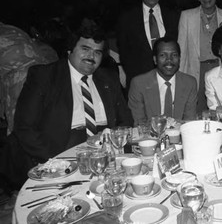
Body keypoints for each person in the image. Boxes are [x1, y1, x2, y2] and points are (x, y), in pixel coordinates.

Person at [11, 26, 133, 166]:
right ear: (70, 50)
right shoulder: (45, 77)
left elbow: (126, 120)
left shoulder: (108, 79)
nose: (91, 57)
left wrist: (113, 143)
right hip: (61, 154)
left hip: (105, 153)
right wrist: (55, 160)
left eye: (97, 52)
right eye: (85, 49)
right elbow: (25, 127)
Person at [178, 0, 222, 112]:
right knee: (196, 113)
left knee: (221, 112)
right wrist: (180, 79)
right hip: (196, 73)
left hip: (220, 70)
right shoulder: (186, 16)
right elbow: (181, 51)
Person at [117, 0, 180, 87]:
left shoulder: (174, 16)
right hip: (140, 82)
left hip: (171, 80)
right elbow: (124, 53)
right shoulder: (127, 18)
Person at [0, 22, 58, 136]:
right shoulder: (13, 30)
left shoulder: (8, 33)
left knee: (23, 135)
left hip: (23, 89)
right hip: (43, 84)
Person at [128, 38, 197, 124]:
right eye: (163, 55)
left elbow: (189, 122)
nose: (169, 60)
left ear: (179, 58)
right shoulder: (139, 84)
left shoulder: (189, 83)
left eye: (174, 55)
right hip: (149, 136)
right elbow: (139, 123)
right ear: (155, 59)